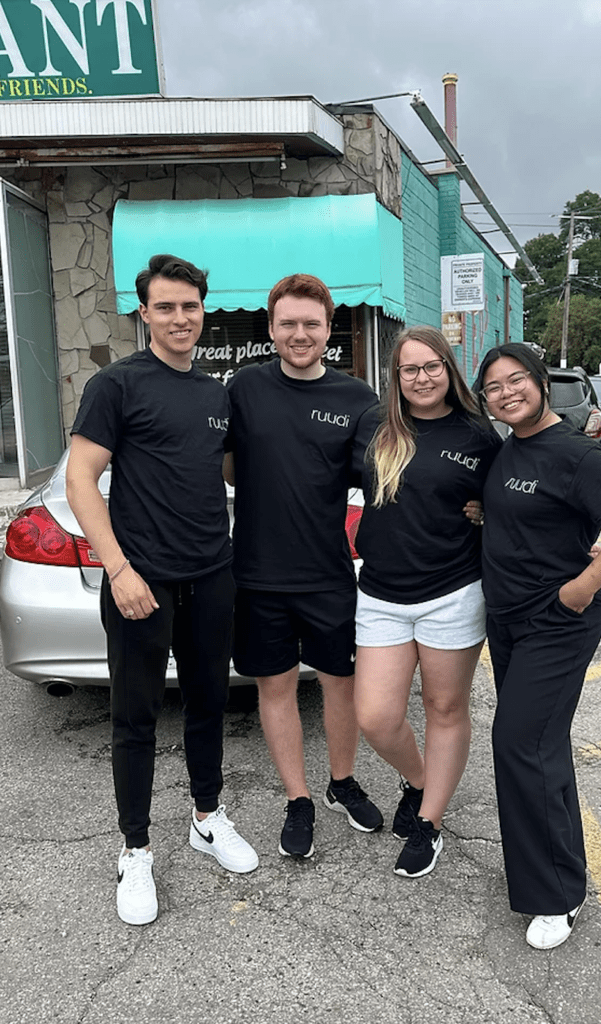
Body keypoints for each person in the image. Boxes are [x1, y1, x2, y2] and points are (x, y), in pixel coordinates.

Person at [66, 254, 258, 927]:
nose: (181, 318)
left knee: (209, 706)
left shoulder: (215, 393)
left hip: (211, 577)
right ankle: (136, 848)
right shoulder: (116, 386)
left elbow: (241, 469)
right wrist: (119, 570)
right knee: (135, 718)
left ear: (205, 310)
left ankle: (206, 819)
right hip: (139, 584)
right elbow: (80, 480)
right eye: (166, 306)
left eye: (190, 306)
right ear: (143, 312)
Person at [475, 342, 601, 949]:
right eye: (494, 387)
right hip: (508, 621)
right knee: (540, 748)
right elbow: (529, 512)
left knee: (520, 744)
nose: (506, 393)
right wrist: (485, 511)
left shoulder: (575, 452)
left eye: (515, 381)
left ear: (539, 384)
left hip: (555, 623)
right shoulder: (510, 448)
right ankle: (559, 874)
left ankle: (557, 896)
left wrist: (583, 587)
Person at [226, 273, 383, 859]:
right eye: (287, 323)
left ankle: (341, 783)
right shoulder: (243, 388)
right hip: (258, 575)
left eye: (311, 324)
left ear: (329, 329)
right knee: (277, 688)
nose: (299, 334)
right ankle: (299, 798)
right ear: (270, 328)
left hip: (328, 573)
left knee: (341, 687)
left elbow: (385, 478)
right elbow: (223, 465)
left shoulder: (357, 399)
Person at [352, 326, 502, 877]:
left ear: (449, 369)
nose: (422, 378)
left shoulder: (479, 436)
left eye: (432, 366)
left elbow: (508, 500)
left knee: (444, 709)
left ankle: (430, 821)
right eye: (409, 369)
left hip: (453, 592)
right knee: (377, 717)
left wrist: (489, 514)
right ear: (396, 376)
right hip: (382, 595)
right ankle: (419, 780)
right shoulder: (374, 427)